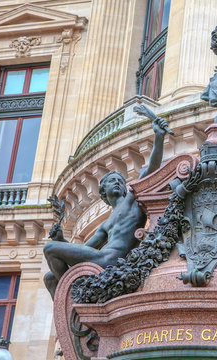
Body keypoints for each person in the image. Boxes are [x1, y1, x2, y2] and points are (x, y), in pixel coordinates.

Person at [43, 116, 169, 300]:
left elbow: (151, 168)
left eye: (120, 181)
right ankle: (70, 308)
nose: (117, 183)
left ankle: (74, 298)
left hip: (111, 260)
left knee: (50, 249)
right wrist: (61, 239)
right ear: (103, 192)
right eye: (112, 181)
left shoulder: (132, 200)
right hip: (100, 258)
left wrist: (159, 137)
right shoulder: (106, 224)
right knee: (49, 277)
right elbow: (84, 249)